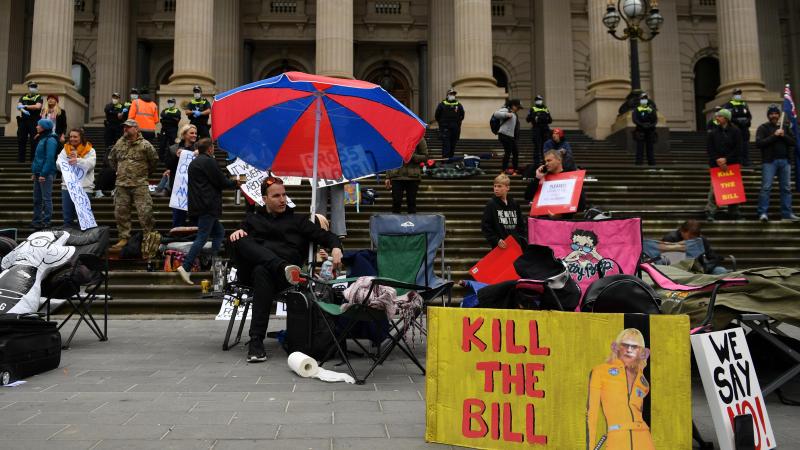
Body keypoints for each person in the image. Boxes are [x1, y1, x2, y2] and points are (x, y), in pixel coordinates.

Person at [229, 177, 343, 362]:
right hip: (257, 273)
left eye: (284, 194)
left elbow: (327, 236)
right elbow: (240, 243)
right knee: (239, 239)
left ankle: (256, 340)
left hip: (285, 278)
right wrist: (237, 233)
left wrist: (336, 247)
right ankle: (280, 266)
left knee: (262, 271)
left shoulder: (298, 221)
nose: (282, 199)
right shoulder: (252, 219)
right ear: (264, 199)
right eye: (276, 196)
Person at [175, 138, 240, 285]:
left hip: (199, 205)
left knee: (219, 233)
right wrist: (235, 183)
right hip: (207, 205)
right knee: (202, 237)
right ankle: (186, 267)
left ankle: (213, 263)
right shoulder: (209, 161)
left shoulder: (195, 162)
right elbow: (221, 181)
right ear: (210, 149)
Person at [587, 328, 655, 450]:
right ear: (617, 347)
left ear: (641, 352)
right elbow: (591, 415)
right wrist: (590, 447)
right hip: (617, 439)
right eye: (625, 345)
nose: (629, 350)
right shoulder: (600, 372)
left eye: (635, 347)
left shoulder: (643, 381)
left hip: (644, 440)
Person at [107, 119, 159, 250]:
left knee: (145, 212)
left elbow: (154, 161)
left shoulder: (145, 145)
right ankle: (124, 237)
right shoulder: (119, 143)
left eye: (129, 127)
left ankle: (149, 238)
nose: (125, 129)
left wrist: (143, 174)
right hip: (121, 185)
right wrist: (120, 171)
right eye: (124, 127)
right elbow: (111, 159)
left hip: (140, 185)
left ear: (136, 129)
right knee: (121, 213)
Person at [755, 104, 799, 222]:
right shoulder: (763, 128)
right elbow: (759, 143)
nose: (774, 115)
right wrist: (774, 136)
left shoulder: (785, 127)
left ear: (779, 115)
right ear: (768, 115)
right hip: (769, 162)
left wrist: (784, 135)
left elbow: (794, 142)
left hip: (785, 162)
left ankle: (787, 213)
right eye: (771, 114)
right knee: (766, 188)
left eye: (776, 113)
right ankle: (762, 213)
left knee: (786, 189)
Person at [705, 108, 743, 222]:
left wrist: (726, 159)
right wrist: (718, 160)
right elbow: (710, 148)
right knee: (714, 189)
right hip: (716, 165)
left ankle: (734, 211)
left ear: (726, 118)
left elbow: (738, 148)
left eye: (720, 116)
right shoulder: (713, 132)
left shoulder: (736, 131)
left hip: (731, 164)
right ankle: (711, 211)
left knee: (733, 189)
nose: (717, 118)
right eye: (717, 116)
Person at [525, 149, 587, 216]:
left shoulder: (571, 178)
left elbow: (581, 205)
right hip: (545, 220)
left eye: (549, 160)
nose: (546, 164)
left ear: (559, 160)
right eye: (545, 161)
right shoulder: (543, 177)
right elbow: (527, 196)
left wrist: (563, 210)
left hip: (564, 221)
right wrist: (537, 178)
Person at [57, 128, 96, 228]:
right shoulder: (65, 149)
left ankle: (84, 240)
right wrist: (68, 160)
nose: (72, 139)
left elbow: (91, 164)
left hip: (84, 187)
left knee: (83, 219)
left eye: (75, 137)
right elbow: (58, 164)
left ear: (81, 137)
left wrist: (77, 160)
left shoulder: (90, 150)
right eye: (70, 137)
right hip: (68, 187)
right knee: (67, 218)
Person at [661, 219, 728, 274]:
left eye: (694, 238)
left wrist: (706, 267)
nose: (692, 240)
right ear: (682, 231)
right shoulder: (670, 238)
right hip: (679, 270)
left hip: (700, 269)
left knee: (721, 271)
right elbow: (666, 260)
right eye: (689, 237)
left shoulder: (700, 239)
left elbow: (711, 256)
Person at [165, 124, 199, 227]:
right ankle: (178, 234)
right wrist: (176, 157)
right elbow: (168, 165)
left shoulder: (199, 148)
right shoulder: (173, 149)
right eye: (191, 133)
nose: (194, 135)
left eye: (196, 133)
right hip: (180, 188)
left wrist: (201, 154)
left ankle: (194, 236)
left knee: (196, 215)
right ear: (184, 135)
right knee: (178, 216)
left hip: (195, 187)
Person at [481, 174, 527, 249]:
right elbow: (485, 226)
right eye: (495, 186)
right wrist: (496, 240)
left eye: (499, 186)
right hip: (500, 246)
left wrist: (520, 238)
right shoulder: (491, 204)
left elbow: (520, 224)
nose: (496, 189)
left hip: (515, 245)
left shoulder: (514, 203)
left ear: (507, 188)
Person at [385, 137, 429, 214]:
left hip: (413, 177)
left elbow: (425, 157)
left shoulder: (419, 138)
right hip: (396, 176)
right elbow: (389, 157)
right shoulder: (394, 137)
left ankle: (412, 224)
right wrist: (387, 177)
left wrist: (411, 155)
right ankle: (395, 224)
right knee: (396, 202)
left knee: (411, 202)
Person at [30, 118, 59, 229]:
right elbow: (37, 158)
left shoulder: (51, 140)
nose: (36, 127)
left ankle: (46, 221)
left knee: (46, 198)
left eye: (38, 125)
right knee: (37, 199)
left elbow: (50, 158)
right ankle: (36, 220)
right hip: (38, 173)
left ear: (44, 127)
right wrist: (34, 172)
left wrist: (43, 173)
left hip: (45, 174)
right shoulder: (42, 139)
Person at [723, 88, 753, 167]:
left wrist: (747, 121)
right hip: (735, 128)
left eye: (739, 94)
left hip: (744, 128)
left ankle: (746, 161)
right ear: (733, 95)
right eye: (736, 94)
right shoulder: (729, 104)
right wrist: (737, 122)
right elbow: (727, 116)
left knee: (745, 145)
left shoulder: (744, 104)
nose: (738, 95)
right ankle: (737, 161)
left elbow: (749, 115)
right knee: (736, 145)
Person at [493, 99, 522, 175]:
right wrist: (506, 114)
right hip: (504, 135)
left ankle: (515, 169)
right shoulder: (506, 109)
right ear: (513, 105)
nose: (518, 109)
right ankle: (503, 170)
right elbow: (496, 114)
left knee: (515, 152)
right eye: (517, 107)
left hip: (511, 136)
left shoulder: (514, 114)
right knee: (508, 152)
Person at [16, 80, 43, 162]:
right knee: (21, 139)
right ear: (28, 87)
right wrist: (22, 109)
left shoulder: (39, 96)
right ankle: (21, 159)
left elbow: (38, 106)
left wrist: (25, 106)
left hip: (34, 120)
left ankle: (33, 159)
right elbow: (18, 105)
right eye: (31, 86)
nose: (33, 88)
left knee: (34, 140)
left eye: (34, 87)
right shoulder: (23, 96)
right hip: (23, 120)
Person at [434, 88, 464, 159]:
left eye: (454, 94)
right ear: (447, 95)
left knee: (453, 145)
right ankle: (445, 161)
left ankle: (451, 160)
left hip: (455, 129)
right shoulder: (442, 104)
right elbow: (437, 115)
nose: (452, 95)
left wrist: (457, 123)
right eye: (451, 94)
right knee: (446, 145)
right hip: (445, 128)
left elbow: (462, 115)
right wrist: (442, 123)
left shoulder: (458, 105)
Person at [526, 94, 552, 168]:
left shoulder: (545, 108)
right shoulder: (533, 108)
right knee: (537, 146)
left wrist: (544, 118)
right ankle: (536, 163)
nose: (539, 101)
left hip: (545, 130)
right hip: (536, 129)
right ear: (535, 101)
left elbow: (550, 120)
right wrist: (534, 117)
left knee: (545, 147)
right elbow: (528, 119)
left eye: (540, 100)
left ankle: (545, 161)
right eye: (537, 100)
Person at [632, 92, 657, 166]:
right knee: (640, 149)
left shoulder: (650, 109)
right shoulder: (637, 109)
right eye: (642, 98)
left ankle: (651, 163)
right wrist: (642, 125)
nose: (644, 100)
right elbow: (635, 119)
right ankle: (639, 163)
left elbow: (655, 119)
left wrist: (650, 125)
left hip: (650, 131)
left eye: (645, 98)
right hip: (640, 131)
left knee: (650, 149)